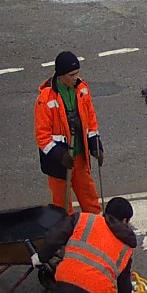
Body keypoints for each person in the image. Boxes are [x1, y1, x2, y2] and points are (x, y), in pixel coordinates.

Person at [34, 50, 105, 215]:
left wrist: (95, 145)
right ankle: (68, 237)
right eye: (71, 75)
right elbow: (42, 137)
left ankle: (97, 231)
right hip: (59, 163)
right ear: (61, 75)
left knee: (91, 201)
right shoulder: (45, 100)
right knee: (63, 208)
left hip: (79, 157)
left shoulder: (82, 90)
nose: (75, 78)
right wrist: (61, 155)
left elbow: (91, 120)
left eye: (77, 74)